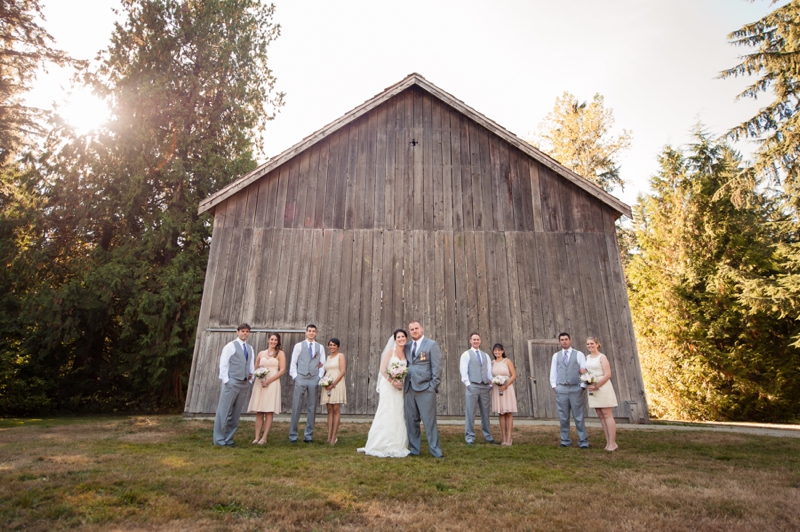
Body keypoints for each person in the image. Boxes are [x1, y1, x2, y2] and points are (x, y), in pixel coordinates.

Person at [357, 329, 411, 457]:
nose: (401, 339)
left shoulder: (406, 353)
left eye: (403, 336)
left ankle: (397, 444)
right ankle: (379, 443)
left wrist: (400, 381)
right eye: (398, 337)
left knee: (398, 412)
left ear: (406, 338)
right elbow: (382, 369)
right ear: (395, 339)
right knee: (386, 411)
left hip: (400, 387)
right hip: (388, 385)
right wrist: (393, 382)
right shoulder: (389, 352)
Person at [404, 320, 444, 458]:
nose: (414, 331)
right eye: (411, 329)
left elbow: (437, 367)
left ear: (422, 329)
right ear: (409, 332)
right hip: (409, 388)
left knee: (429, 422)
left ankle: (436, 451)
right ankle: (415, 449)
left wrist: (432, 386)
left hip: (425, 388)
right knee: (411, 421)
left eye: (416, 328)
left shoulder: (432, 345)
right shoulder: (407, 346)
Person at [213, 323, 255, 447]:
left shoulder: (250, 348)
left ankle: (229, 439)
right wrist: (226, 380)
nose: (245, 333)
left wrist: (250, 380)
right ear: (237, 332)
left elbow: (250, 365)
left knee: (236, 414)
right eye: (242, 331)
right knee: (223, 412)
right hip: (232, 382)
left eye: (247, 331)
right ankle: (219, 440)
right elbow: (223, 364)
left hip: (244, 384)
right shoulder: (230, 346)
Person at [549, 332, 589, 448]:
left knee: (578, 416)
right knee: (563, 416)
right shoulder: (556, 356)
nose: (564, 341)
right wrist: (554, 386)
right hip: (561, 388)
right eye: (562, 340)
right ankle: (565, 440)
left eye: (566, 339)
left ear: (570, 340)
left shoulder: (579, 354)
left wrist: (582, 386)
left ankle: (583, 441)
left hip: (575, 387)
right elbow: (553, 371)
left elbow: (584, 371)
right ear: (559, 342)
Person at [459, 333, 500, 445]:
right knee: (470, 413)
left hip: (484, 387)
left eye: (477, 339)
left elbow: (488, 370)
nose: (476, 341)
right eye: (474, 339)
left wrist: (490, 384)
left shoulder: (485, 355)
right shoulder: (466, 354)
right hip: (473, 385)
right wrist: (468, 384)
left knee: (485, 413)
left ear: (480, 341)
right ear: (470, 341)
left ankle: (488, 436)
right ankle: (470, 437)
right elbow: (464, 370)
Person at [289, 324, 326, 444]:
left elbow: (323, 363)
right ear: (306, 332)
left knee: (312, 407)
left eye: (313, 331)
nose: (311, 333)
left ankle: (308, 436)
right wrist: (296, 376)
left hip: (313, 379)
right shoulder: (299, 346)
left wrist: (319, 377)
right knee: (296, 406)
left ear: (316, 333)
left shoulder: (319, 347)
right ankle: (293, 435)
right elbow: (293, 362)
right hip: (301, 377)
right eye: (309, 331)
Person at [247, 333, 286, 444]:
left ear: (278, 342)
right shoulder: (261, 353)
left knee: (269, 411)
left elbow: (282, 370)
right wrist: (256, 375)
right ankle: (256, 437)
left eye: (275, 340)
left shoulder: (280, 353)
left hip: (272, 383)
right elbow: (255, 368)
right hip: (260, 383)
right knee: (259, 411)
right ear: (268, 340)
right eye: (272, 339)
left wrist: (269, 381)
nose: (273, 341)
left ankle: (264, 437)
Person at [584, 337, 619, 451]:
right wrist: (589, 384)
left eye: (592, 343)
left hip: (603, 386)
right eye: (588, 344)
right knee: (600, 414)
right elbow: (586, 372)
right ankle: (608, 442)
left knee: (607, 414)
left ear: (597, 344)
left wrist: (597, 386)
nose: (590, 345)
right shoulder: (587, 358)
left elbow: (608, 374)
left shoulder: (602, 357)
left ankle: (613, 443)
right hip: (592, 386)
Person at [321, 338, 347, 445]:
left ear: (338, 347)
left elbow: (343, 371)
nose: (332, 347)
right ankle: (329, 435)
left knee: (336, 408)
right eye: (330, 345)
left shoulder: (340, 356)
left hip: (337, 383)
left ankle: (334, 436)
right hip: (327, 383)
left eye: (334, 345)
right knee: (329, 409)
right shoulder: (327, 358)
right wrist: (326, 383)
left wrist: (334, 384)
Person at [490, 343, 518, 446]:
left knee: (508, 412)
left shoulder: (507, 361)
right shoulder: (492, 363)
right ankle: (504, 438)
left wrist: (506, 385)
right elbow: (490, 375)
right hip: (497, 389)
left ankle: (510, 438)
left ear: (502, 351)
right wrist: (493, 382)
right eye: (495, 351)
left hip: (507, 388)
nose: (497, 352)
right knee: (501, 413)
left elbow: (514, 375)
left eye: (499, 350)